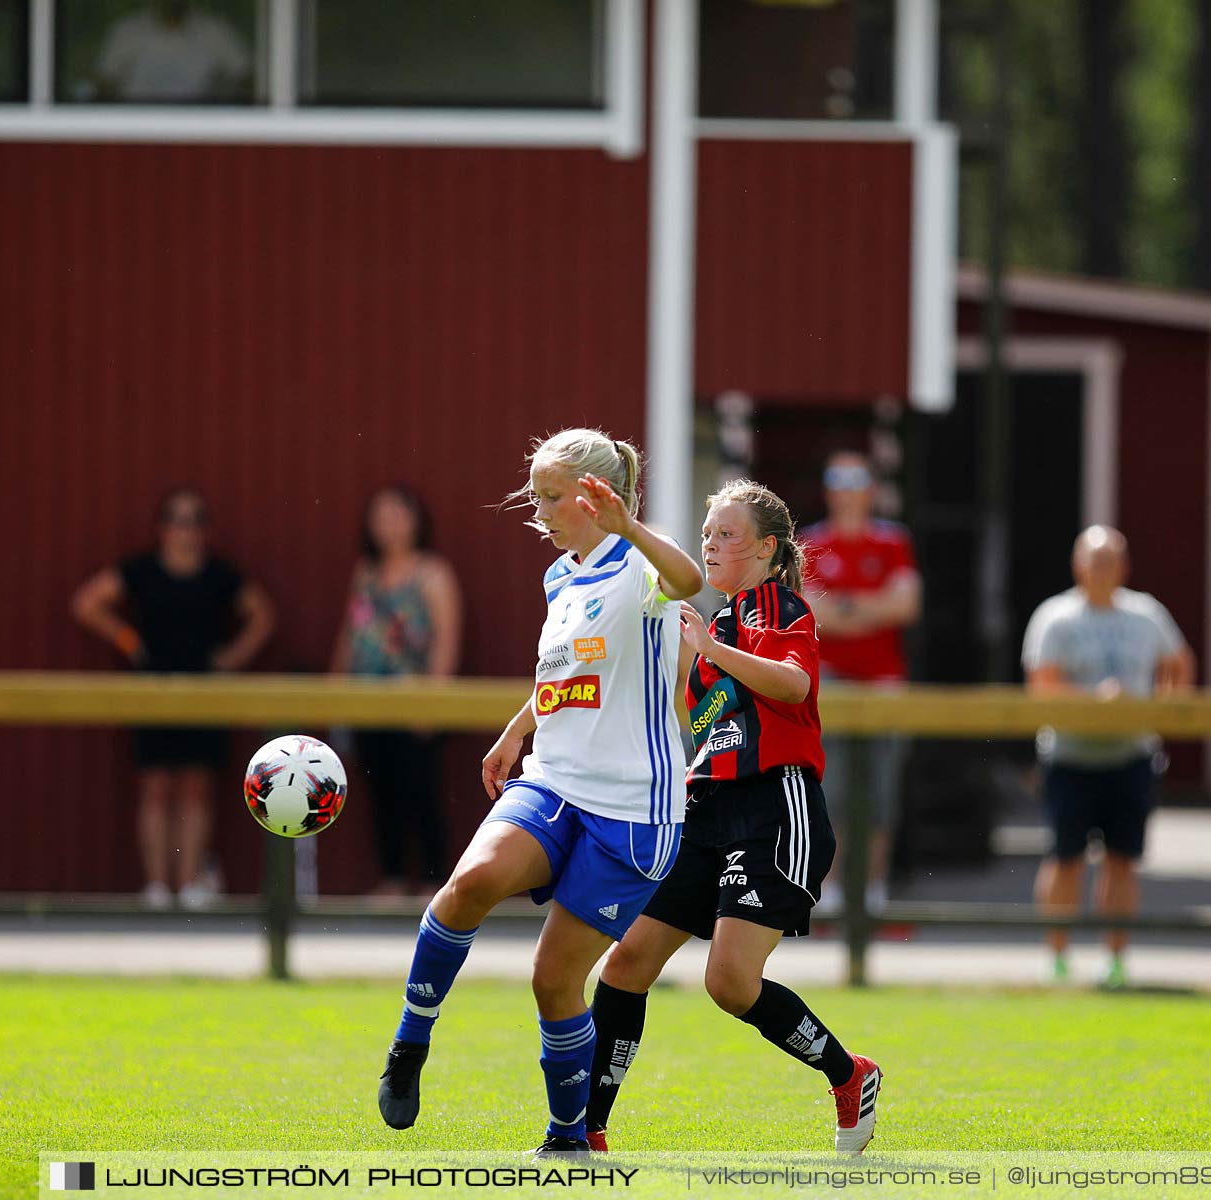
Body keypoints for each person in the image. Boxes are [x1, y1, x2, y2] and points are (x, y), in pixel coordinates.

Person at [374, 429, 704, 1155]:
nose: (539, 511)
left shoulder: (641, 565)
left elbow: (689, 583)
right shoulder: (561, 576)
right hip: (553, 779)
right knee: (468, 885)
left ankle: (566, 1140)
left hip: (632, 810)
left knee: (553, 981)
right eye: (537, 496)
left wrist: (632, 529)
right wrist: (515, 728)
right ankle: (409, 1043)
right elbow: (562, 673)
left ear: (595, 496)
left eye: (551, 497)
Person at [585, 480, 882, 1155]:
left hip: (775, 808)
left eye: (727, 534)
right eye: (707, 533)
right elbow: (699, 723)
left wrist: (710, 652)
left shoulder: (778, 605)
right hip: (708, 809)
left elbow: (794, 684)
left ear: (767, 548)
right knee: (626, 962)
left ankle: (848, 1073)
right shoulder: (714, 621)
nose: (710, 544)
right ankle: (587, 1131)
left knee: (728, 983)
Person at [70, 487, 275, 909]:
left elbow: (263, 615)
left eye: (195, 520)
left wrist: (232, 657)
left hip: (203, 689)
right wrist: (127, 639)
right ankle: (158, 887)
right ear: (162, 528)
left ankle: (190, 884)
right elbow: (87, 602)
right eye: (178, 520)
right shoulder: (142, 571)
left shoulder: (220, 575)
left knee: (196, 788)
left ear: (205, 530)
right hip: (154, 688)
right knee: (156, 787)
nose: (186, 530)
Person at [1021, 526, 1193, 988]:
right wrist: (1095, 699)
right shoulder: (1055, 617)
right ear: (1079, 565)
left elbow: (1180, 662)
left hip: (1132, 755)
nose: (1102, 570)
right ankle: (1057, 959)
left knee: (1122, 859)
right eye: (1095, 561)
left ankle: (1116, 960)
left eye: (1111, 561)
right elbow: (1041, 685)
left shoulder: (1146, 613)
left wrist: (1163, 710)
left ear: (1125, 567)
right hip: (1070, 756)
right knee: (1065, 858)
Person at [800, 451, 921, 916]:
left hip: (885, 682)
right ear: (829, 490)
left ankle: (873, 894)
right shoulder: (811, 542)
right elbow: (809, 612)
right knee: (828, 786)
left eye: (858, 480)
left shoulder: (893, 542)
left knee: (882, 790)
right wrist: (871, 608)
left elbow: (906, 606)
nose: (849, 490)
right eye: (839, 480)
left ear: (872, 489)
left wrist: (843, 610)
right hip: (828, 682)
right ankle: (828, 893)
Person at [331, 485, 463, 897]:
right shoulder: (365, 573)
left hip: (414, 702)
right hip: (367, 701)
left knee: (420, 789)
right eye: (379, 515)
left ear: (416, 519)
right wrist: (334, 688)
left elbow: (447, 638)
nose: (387, 524)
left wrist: (432, 702)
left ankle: (429, 881)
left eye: (396, 514)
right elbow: (352, 633)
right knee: (379, 789)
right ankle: (390, 878)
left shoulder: (432, 573)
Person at [94, 1, 252, 103]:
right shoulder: (126, 31)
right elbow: (104, 85)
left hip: (202, 129)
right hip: (133, 129)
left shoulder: (215, 31)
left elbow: (247, 81)